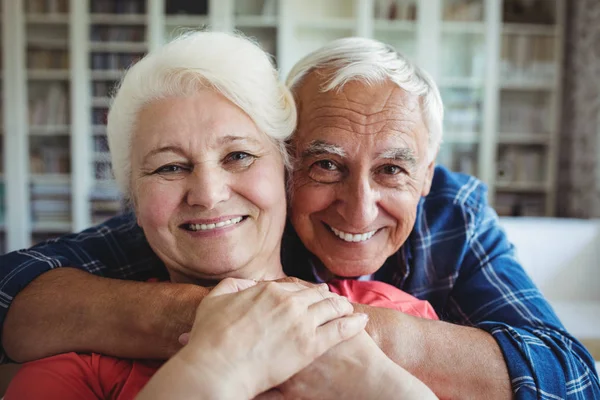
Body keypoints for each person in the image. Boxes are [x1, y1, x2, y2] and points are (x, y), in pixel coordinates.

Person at [1, 36, 599, 399]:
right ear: (286, 161)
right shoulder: (217, 218)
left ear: (429, 168)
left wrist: (342, 336)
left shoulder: (450, 215)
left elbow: (572, 377)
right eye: (325, 164)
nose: (359, 207)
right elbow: (13, 288)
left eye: (393, 170)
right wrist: (234, 322)